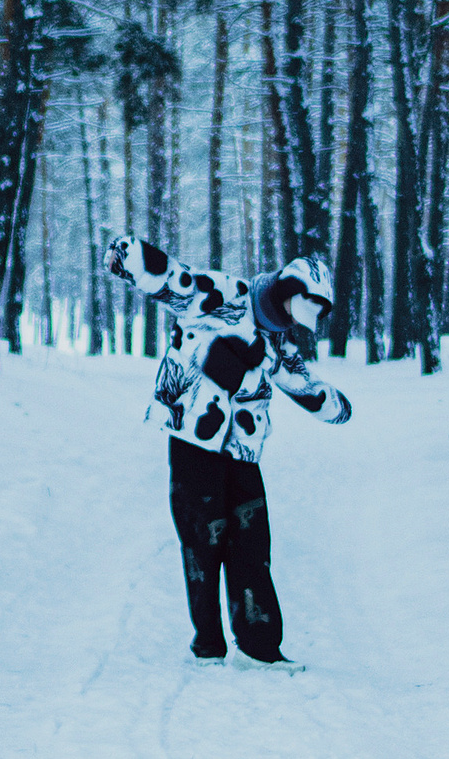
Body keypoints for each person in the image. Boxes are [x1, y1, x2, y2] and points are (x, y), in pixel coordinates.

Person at [102, 234, 351, 662]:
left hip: (243, 453)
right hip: (193, 442)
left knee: (253, 546)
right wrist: (134, 257)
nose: (300, 322)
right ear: (290, 291)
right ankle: (208, 645)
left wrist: (335, 407)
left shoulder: (280, 344)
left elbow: (306, 387)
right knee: (204, 542)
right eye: (304, 308)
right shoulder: (225, 295)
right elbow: (177, 282)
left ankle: (261, 647)